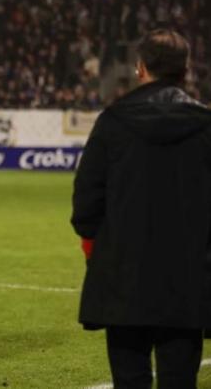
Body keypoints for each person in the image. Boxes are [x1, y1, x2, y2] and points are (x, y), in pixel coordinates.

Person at [71, 29, 211, 389]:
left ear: (140, 67)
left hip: (123, 280)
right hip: (188, 281)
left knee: (129, 381)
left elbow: (86, 205)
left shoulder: (113, 122)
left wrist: (99, 247)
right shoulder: (204, 125)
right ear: (186, 70)